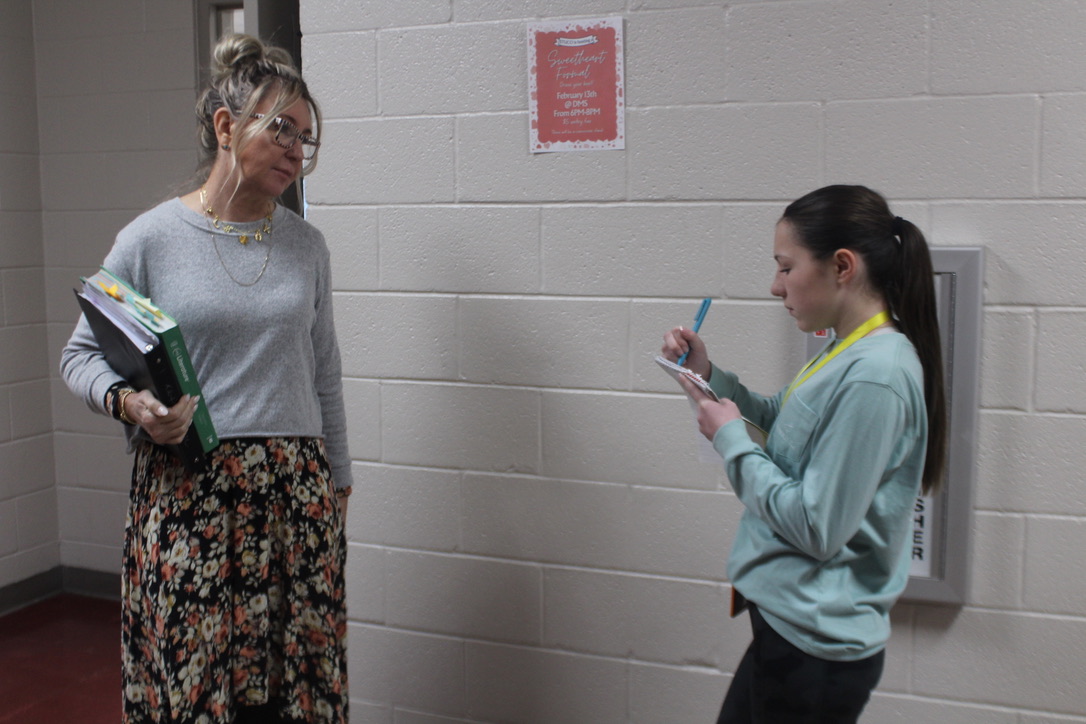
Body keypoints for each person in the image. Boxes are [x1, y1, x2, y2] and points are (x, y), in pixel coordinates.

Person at [61, 34, 351, 724]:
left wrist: (339, 487)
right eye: (281, 127)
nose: (294, 150)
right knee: (196, 689)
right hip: (190, 495)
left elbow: (327, 373)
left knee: (291, 693)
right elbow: (79, 355)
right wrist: (132, 404)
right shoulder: (151, 239)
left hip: (294, 498)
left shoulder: (307, 246)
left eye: (305, 139)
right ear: (227, 126)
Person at [661, 185, 947, 723]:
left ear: (842, 266)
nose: (776, 286)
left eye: (786, 268)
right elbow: (786, 429)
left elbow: (818, 526)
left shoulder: (877, 374)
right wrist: (708, 377)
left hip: (814, 647)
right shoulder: (847, 347)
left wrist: (730, 441)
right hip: (789, 625)